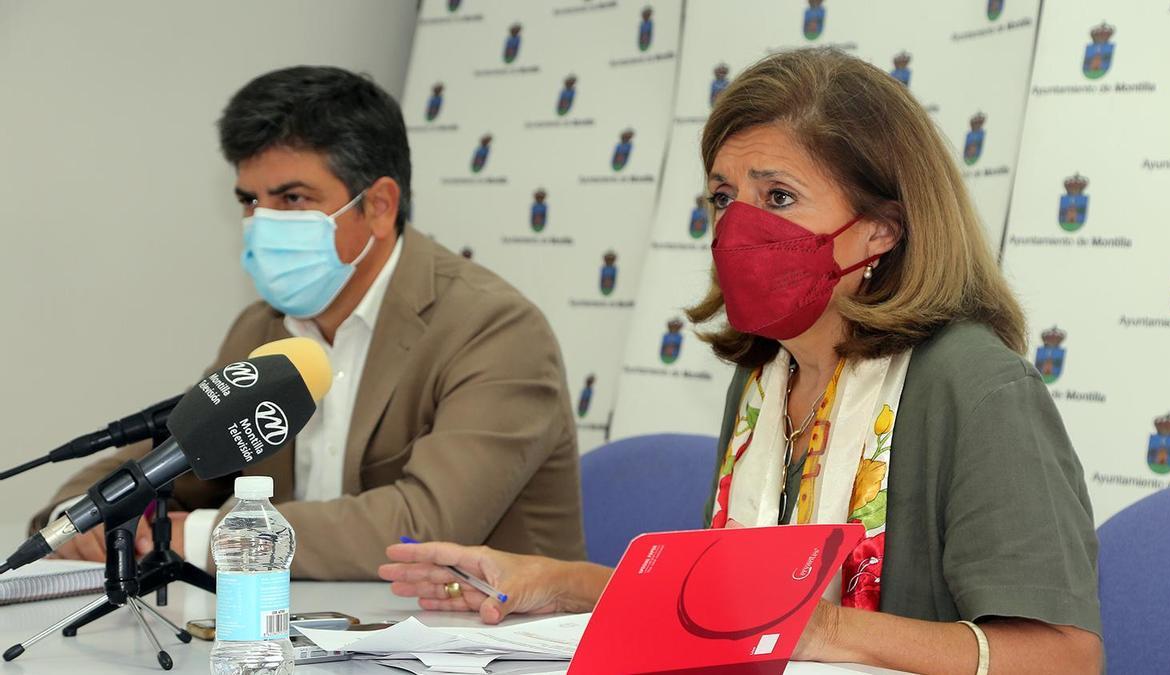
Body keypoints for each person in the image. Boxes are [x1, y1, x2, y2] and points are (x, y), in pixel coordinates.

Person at [379, 48, 1103, 673]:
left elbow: (1064, 656)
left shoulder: (975, 386)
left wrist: (820, 626)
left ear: (881, 231)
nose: (736, 228)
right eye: (723, 197)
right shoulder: (766, 379)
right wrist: (551, 580)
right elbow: (719, 608)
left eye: (778, 196)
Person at [31, 66, 586, 580]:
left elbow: (426, 524)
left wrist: (196, 537)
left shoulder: (494, 329)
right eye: (250, 201)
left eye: (293, 198)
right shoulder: (262, 329)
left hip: (486, 641)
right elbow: (176, 460)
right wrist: (83, 518)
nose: (263, 223)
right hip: (316, 632)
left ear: (379, 206)